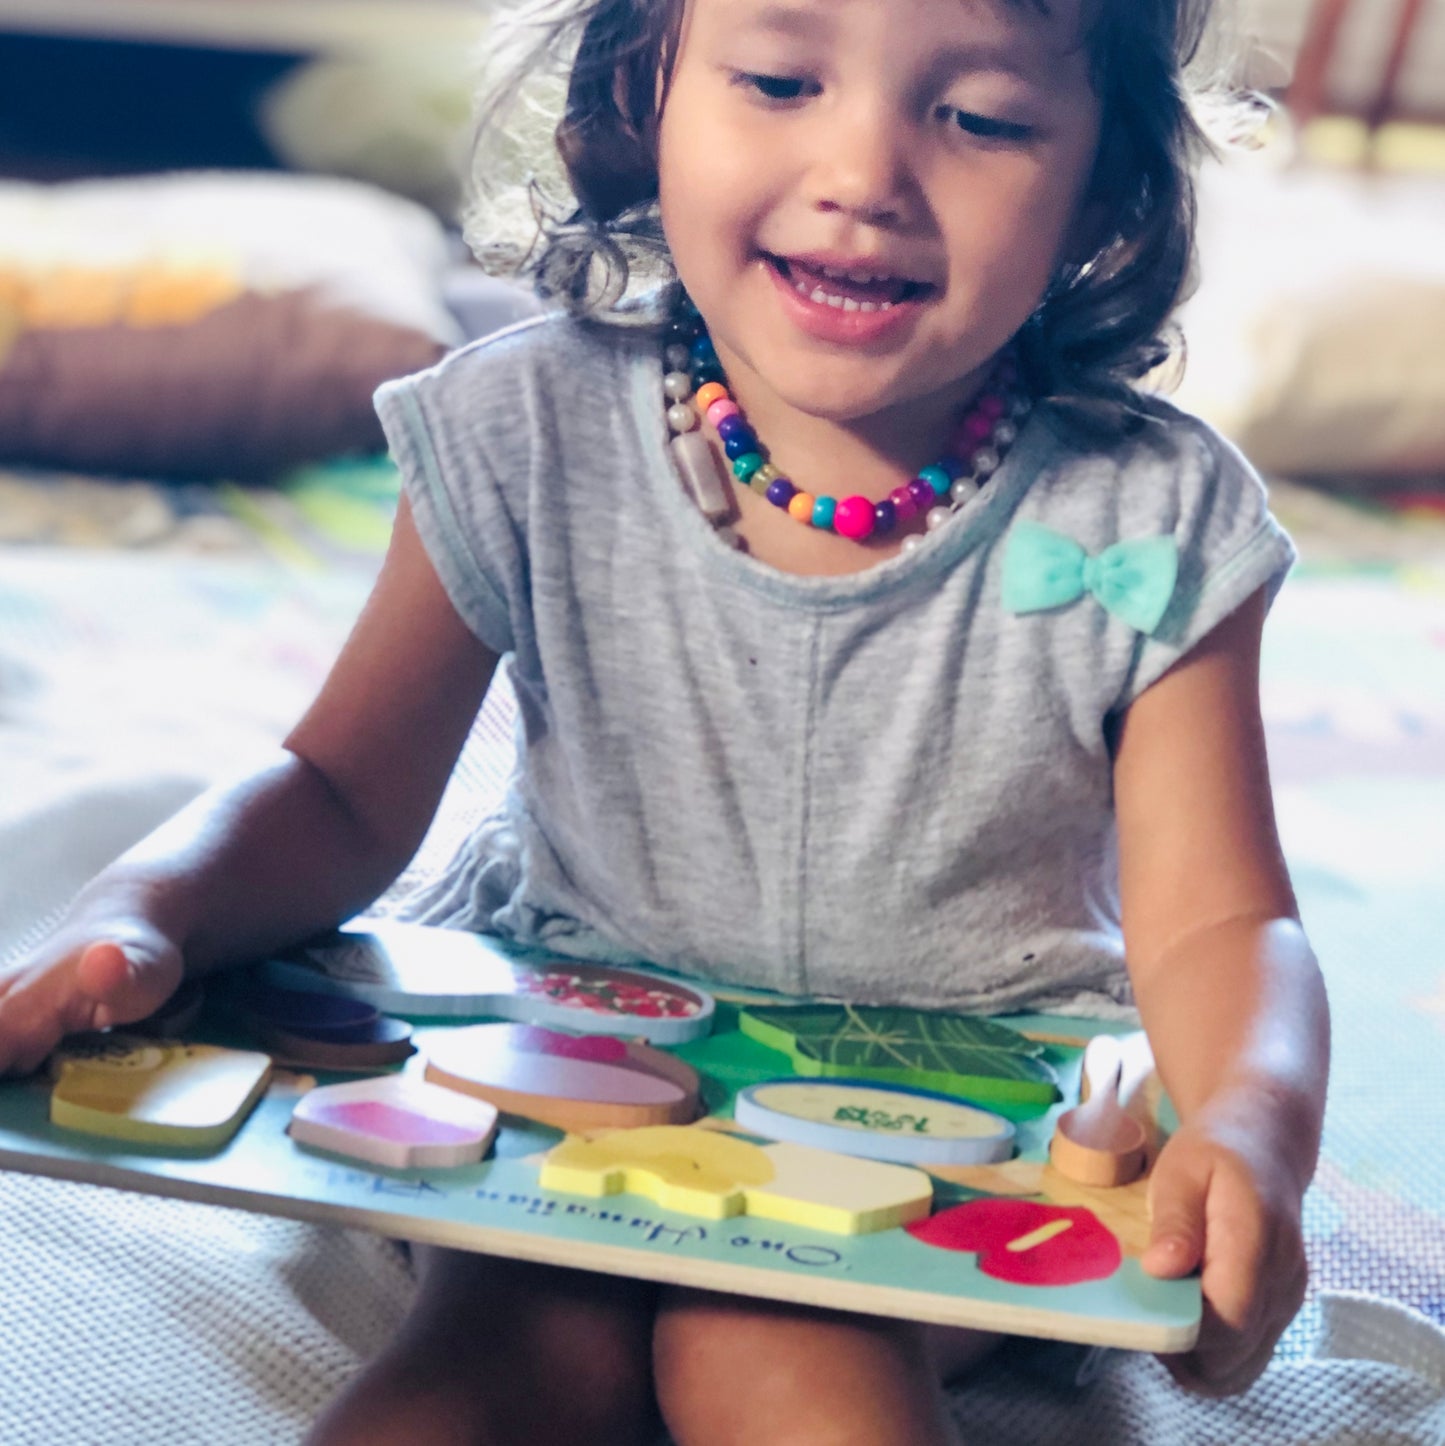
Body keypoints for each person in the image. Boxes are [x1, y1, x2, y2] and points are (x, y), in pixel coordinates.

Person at [0, 0, 1330, 1440]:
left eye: (982, 118)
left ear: (1105, 187)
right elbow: (334, 787)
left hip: (966, 1120)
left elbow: (1217, 925)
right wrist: (152, 906)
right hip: (567, 1062)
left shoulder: (1147, 516)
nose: (862, 173)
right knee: (490, 1362)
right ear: (646, 96)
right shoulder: (521, 429)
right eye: (775, 80)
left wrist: (1249, 1122)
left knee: (771, 1345)